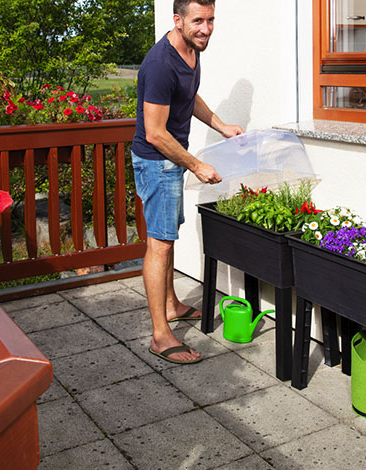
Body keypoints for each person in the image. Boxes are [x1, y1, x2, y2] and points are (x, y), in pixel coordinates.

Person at [131, 0, 243, 365]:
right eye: (198, 21)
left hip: (171, 161)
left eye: (211, 20)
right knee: (159, 244)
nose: (206, 28)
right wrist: (196, 165)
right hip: (157, 162)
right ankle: (161, 336)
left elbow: (188, 96)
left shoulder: (191, 51)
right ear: (178, 20)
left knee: (168, 236)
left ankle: (171, 304)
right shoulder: (161, 64)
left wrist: (221, 126)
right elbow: (154, 133)